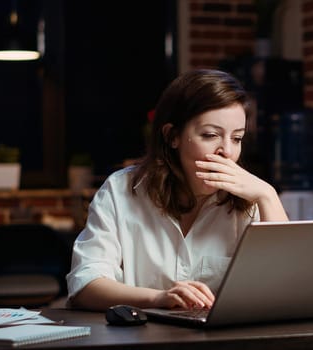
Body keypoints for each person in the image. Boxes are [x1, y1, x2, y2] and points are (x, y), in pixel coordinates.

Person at [66, 69, 288, 311]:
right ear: (173, 136)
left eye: (237, 138)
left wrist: (268, 195)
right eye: (211, 135)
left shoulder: (250, 199)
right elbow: (85, 285)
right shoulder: (121, 190)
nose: (227, 152)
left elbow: (286, 286)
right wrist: (157, 298)